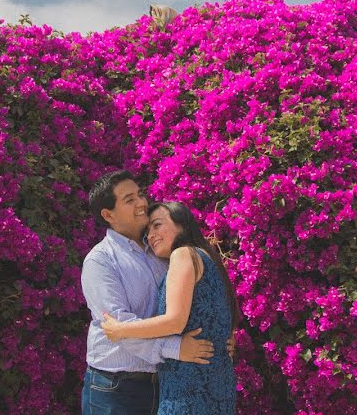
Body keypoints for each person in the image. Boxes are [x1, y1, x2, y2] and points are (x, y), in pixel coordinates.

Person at [81, 171, 216, 414]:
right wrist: (177, 348)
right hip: (116, 388)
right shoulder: (100, 261)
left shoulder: (161, 249)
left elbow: (195, 299)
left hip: (164, 382)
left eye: (140, 195)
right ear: (108, 215)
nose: (142, 203)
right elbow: (119, 329)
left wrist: (219, 335)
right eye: (129, 199)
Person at [101, 201, 239, 414]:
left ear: (182, 225)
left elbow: (175, 321)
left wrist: (119, 330)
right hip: (217, 384)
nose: (151, 235)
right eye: (147, 231)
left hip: (190, 389)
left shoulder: (183, 254)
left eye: (157, 225)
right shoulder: (207, 257)